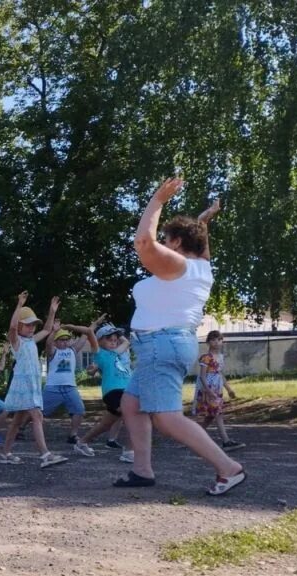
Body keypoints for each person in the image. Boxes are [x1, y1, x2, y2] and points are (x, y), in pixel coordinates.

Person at [115, 177, 244, 495]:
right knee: (132, 405)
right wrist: (203, 220)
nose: (161, 241)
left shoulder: (178, 267)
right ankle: (142, 470)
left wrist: (157, 200)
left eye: (166, 237)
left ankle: (228, 468)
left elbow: (143, 244)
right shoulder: (202, 267)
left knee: (167, 418)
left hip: (161, 344)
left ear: (174, 243)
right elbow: (198, 240)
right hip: (162, 345)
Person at [0, 293, 69, 468]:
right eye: (28, 324)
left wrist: (52, 312)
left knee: (17, 421)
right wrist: (19, 305)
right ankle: (45, 454)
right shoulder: (16, 341)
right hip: (23, 386)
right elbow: (12, 327)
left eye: (33, 325)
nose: (32, 328)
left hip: (32, 385)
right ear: (21, 326)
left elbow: (46, 330)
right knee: (37, 415)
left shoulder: (31, 341)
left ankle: (6, 453)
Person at [42, 318, 101, 454]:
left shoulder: (73, 351)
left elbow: (85, 335)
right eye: (61, 339)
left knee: (79, 410)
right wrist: (54, 331)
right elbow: (48, 343)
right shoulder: (53, 351)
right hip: (53, 387)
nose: (65, 342)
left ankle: (72, 435)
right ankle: (20, 427)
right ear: (56, 341)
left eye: (66, 339)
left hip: (70, 387)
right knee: (39, 412)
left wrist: (94, 324)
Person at [78, 323, 134, 463]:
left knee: (105, 424)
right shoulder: (100, 353)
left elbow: (126, 342)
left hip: (127, 390)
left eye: (115, 340)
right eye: (109, 339)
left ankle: (82, 442)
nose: (113, 342)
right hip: (113, 391)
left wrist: (116, 332)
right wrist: (91, 369)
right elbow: (91, 335)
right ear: (100, 341)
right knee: (132, 414)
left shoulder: (117, 353)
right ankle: (128, 451)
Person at [194, 330, 244, 451]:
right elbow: (202, 376)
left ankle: (191, 438)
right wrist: (208, 390)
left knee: (211, 417)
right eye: (213, 340)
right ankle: (226, 441)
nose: (216, 342)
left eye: (219, 339)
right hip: (209, 389)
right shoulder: (206, 358)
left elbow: (220, 374)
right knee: (218, 413)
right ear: (208, 342)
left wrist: (229, 389)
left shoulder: (220, 357)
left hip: (218, 388)